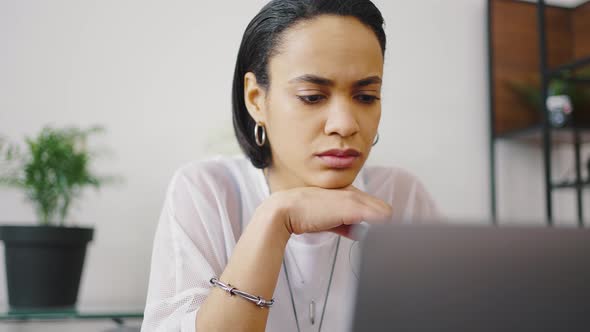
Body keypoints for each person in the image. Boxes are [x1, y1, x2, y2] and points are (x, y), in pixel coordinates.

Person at [141, 0, 439, 331]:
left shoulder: (402, 196)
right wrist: (276, 217)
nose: (344, 124)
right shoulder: (207, 192)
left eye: (366, 97)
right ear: (256, 99)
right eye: (312, 96)